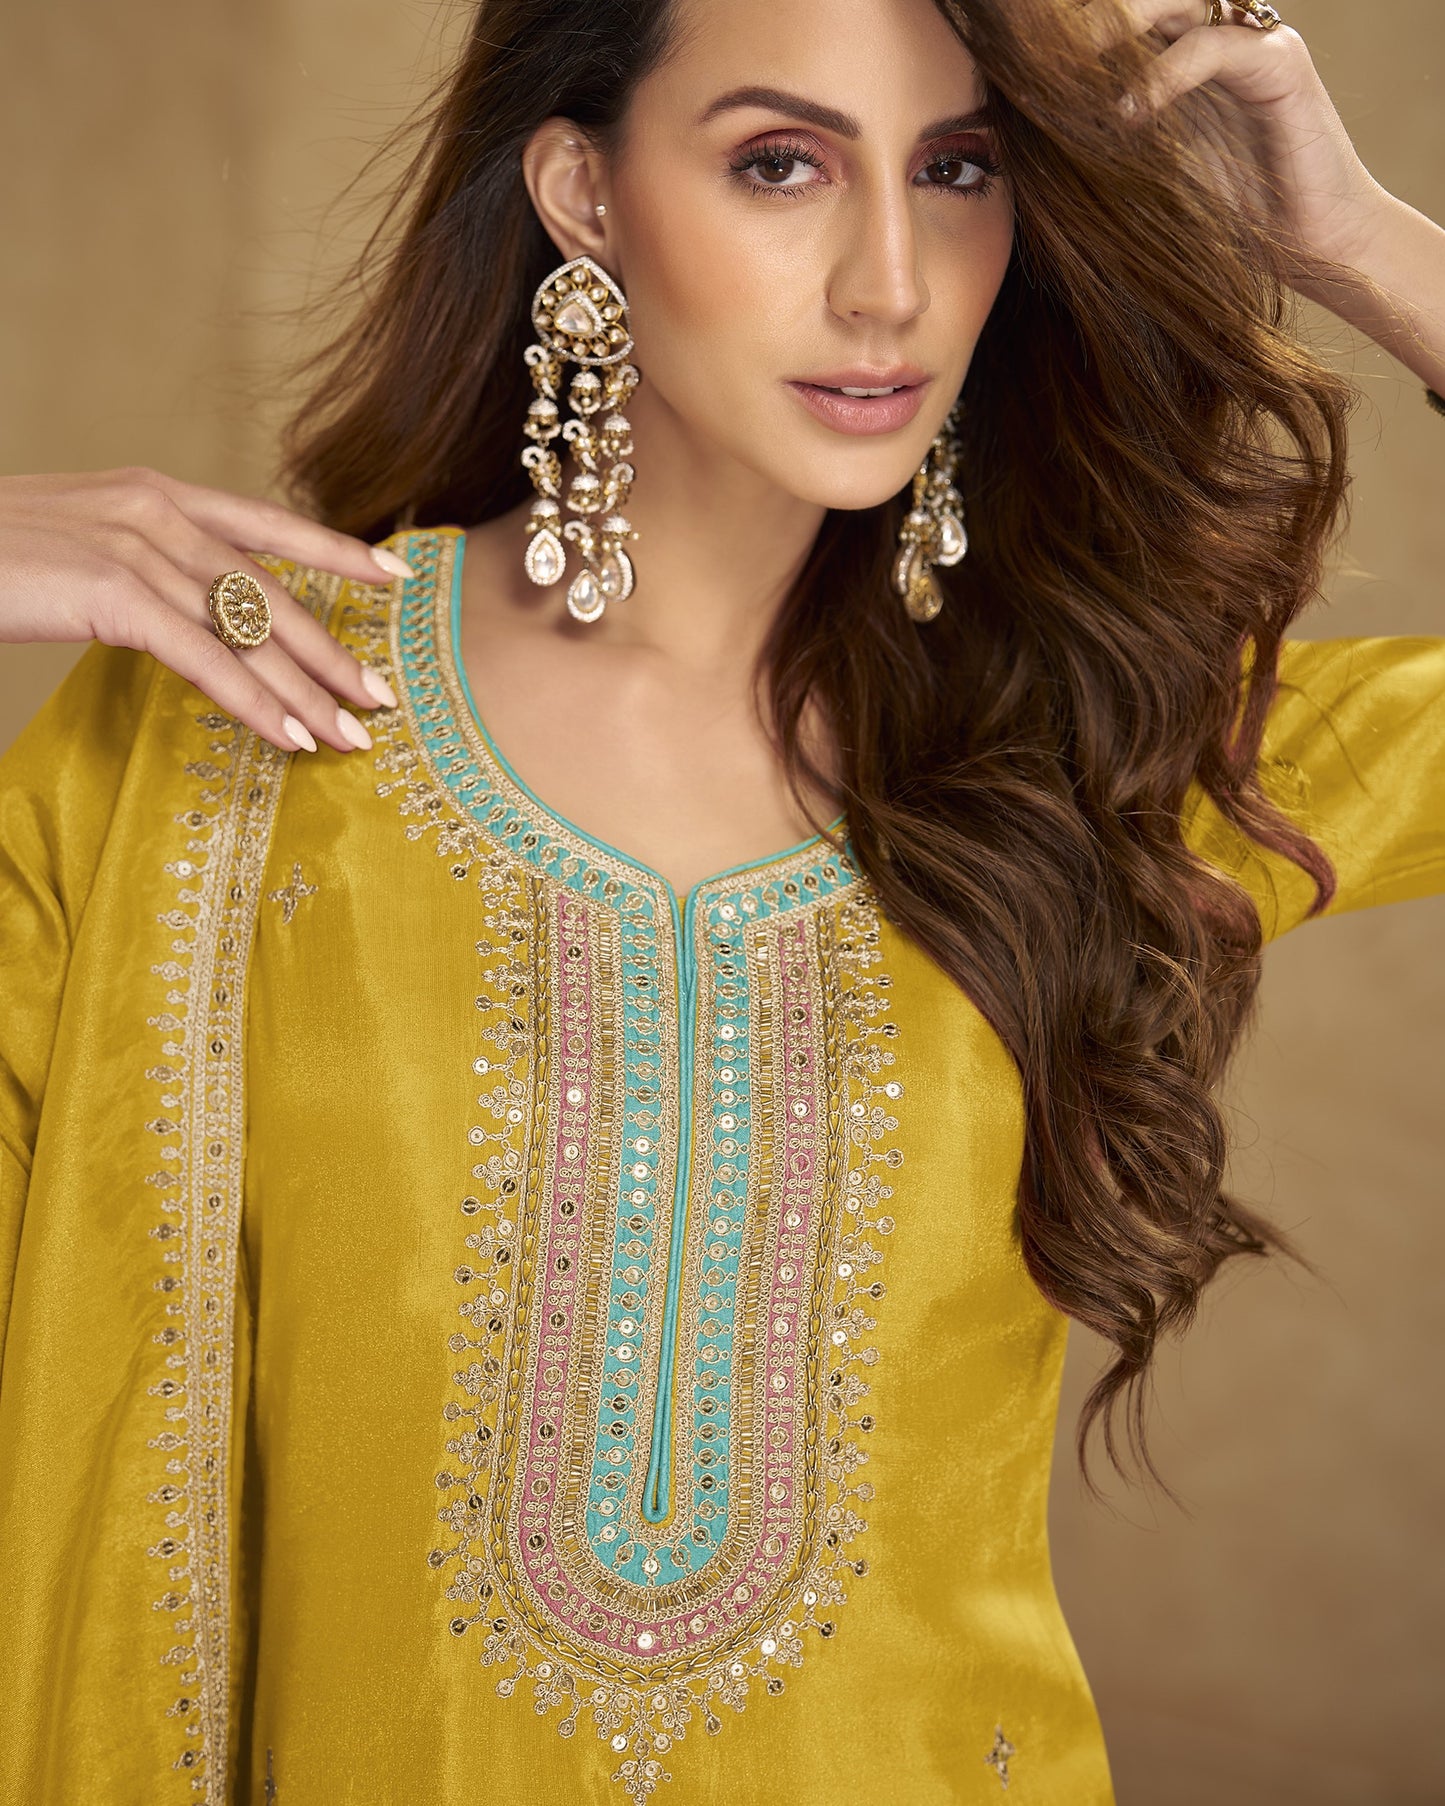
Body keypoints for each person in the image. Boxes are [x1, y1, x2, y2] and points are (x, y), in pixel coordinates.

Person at [1, 0, 1442, 1800]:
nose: (890, 283)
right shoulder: (229, 720)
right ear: (580, 192)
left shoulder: (1101, 744)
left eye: (960, 169)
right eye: (781, 164)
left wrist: (1361, 244)